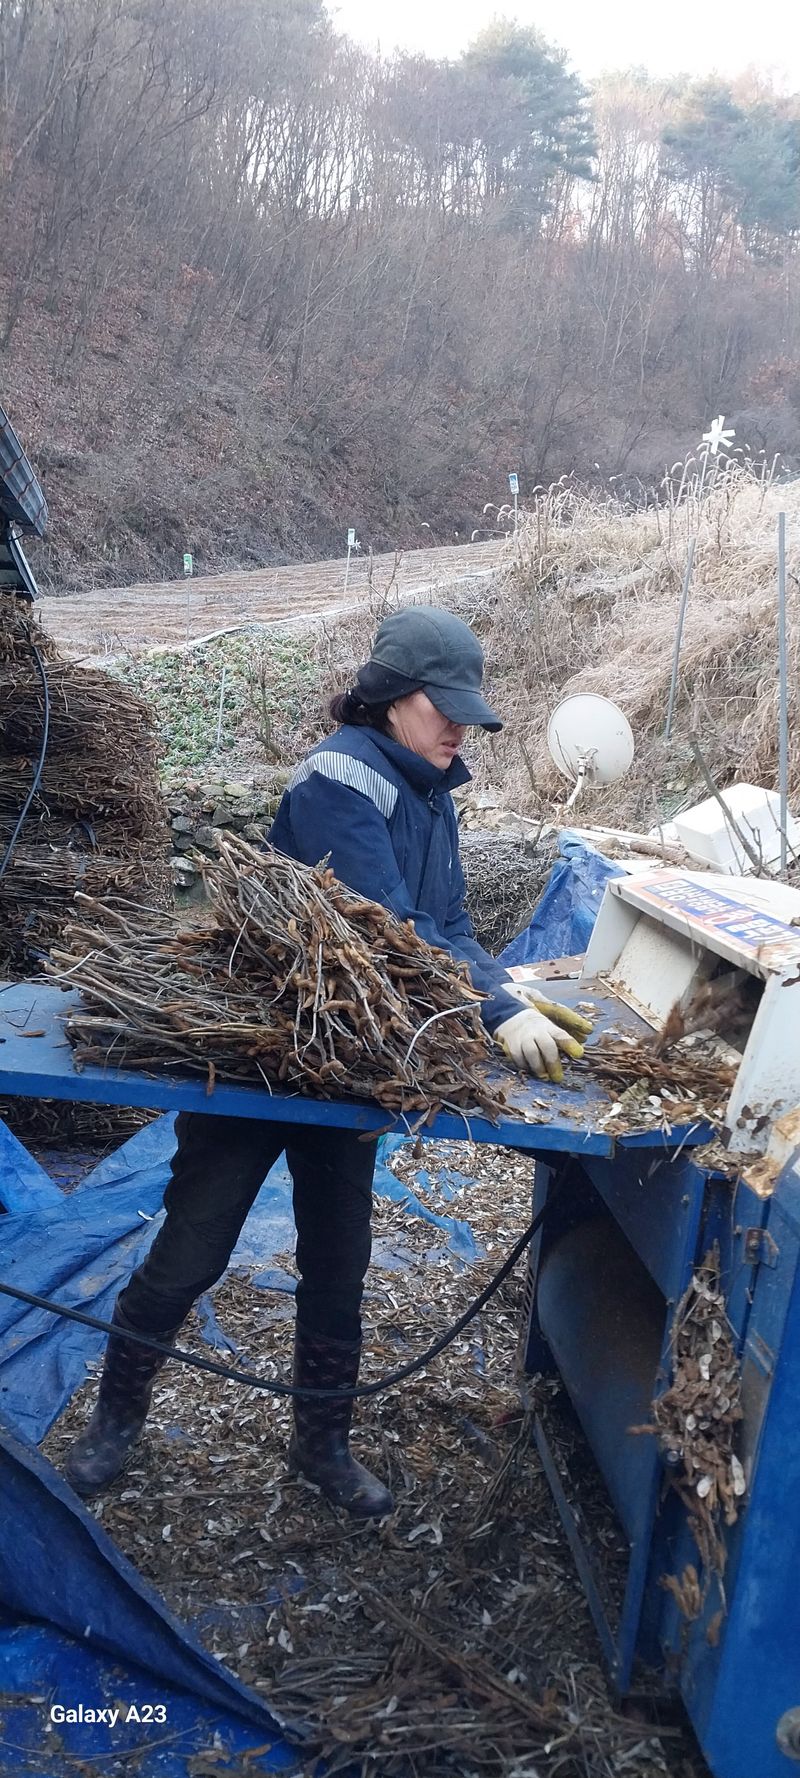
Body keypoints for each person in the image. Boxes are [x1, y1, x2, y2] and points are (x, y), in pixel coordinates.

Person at [64, 606, 589, 1518]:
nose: (461, 726)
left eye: (469, 708)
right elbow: (387, 929)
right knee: (193, 1252)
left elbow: (450, 926)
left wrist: (508, 987)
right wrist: (492, 1007)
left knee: (340, 1261)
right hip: (263, 1061)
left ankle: (321, 1444)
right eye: (445, 707)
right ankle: (115, 1421)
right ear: (391, 698)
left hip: (347, 1069)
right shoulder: (340, 780)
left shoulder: (429, 789)